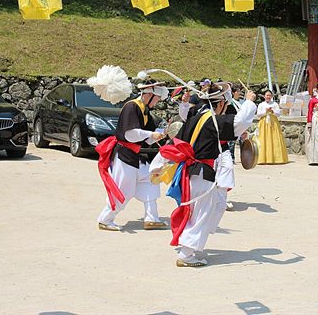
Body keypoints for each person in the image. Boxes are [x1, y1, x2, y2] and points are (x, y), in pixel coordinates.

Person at [150, 83, 257, 267]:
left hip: (193, 173)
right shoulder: (213, 121)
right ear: (221, 103)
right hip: (202, 174)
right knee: (202, 214)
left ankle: (189, 248)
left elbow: (175, 143)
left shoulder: (195, 118)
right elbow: (240, 123)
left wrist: (157, 165)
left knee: (207, 209)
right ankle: (186, 254)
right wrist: (248, 103)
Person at [95, 81, 169, 231]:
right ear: (149, 95)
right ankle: (105, 218)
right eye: (157, 98)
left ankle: (151, 218)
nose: (158, 102)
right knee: (123, 189)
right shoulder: (132, 107)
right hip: (125, 155)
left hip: (137, 156)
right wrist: (151, 134)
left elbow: (145, 138)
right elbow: (130, 134)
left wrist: (159, 135)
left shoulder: (145, 110)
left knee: (150, 183)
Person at [256, 90, 288, 164]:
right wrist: (265, 112)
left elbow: (278, 113)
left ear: (272, 96)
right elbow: (258, 114)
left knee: (274, 139)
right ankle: (262, 158)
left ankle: (276, 158)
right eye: (267, 95)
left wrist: (272, 111)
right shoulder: (261, 104)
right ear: (264, 96)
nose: (268, 97)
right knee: (263, 139)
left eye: (269, 95)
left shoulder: (275, 104)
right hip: (263, 123)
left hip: (273, 123)